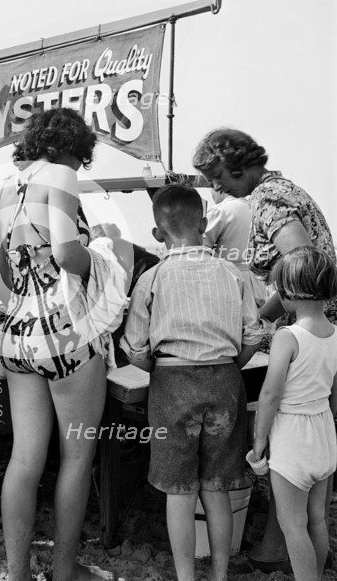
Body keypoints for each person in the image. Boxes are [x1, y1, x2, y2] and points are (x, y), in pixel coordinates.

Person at [193, 128, 337, 571]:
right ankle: (280, 549)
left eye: (218, 178)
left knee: (289, 453)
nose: (217, 189)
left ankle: (281, 551)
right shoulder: (283, 188)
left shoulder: (268, 199)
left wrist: (264, 317)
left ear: (239, 168)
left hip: (302, 335)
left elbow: (300, 260)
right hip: (323, 337)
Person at [121, 184, 264, 581]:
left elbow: (134, 348)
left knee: (178, 491)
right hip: (225, 382)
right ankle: (219, 575)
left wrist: (154, 367)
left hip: (171, 383)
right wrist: (231, 363)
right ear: (204, 222)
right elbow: (253, 335)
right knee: (217, 487)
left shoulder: (152, 278)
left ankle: (186, 577)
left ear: (156, 234)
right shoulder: (233, 273)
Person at [0, 108, 108, 581]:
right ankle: (64, 571)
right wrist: (97, 260)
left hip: (17, 331)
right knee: (77, 455)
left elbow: (1, 268)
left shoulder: (6, 185)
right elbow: (64, 253)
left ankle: (17, 572)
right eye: (81, 157)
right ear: (68, 147)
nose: (79, 168)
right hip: (64, 331)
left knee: (25, 456)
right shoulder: (60, 175)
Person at [252, 247, 337, 581]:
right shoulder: (334, 335)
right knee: (317, 520)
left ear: (287, 292)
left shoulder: (288, 337)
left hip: (292, 439)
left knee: (293, 526)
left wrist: (259, 443)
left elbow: (270, 395)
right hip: (323, 434)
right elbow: (333, 394)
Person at [204, 189, 267, 307]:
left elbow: (199, 250)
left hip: (228, 284)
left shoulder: (220, 211)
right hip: (257, 284)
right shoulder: (257, 209)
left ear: (218, 188)